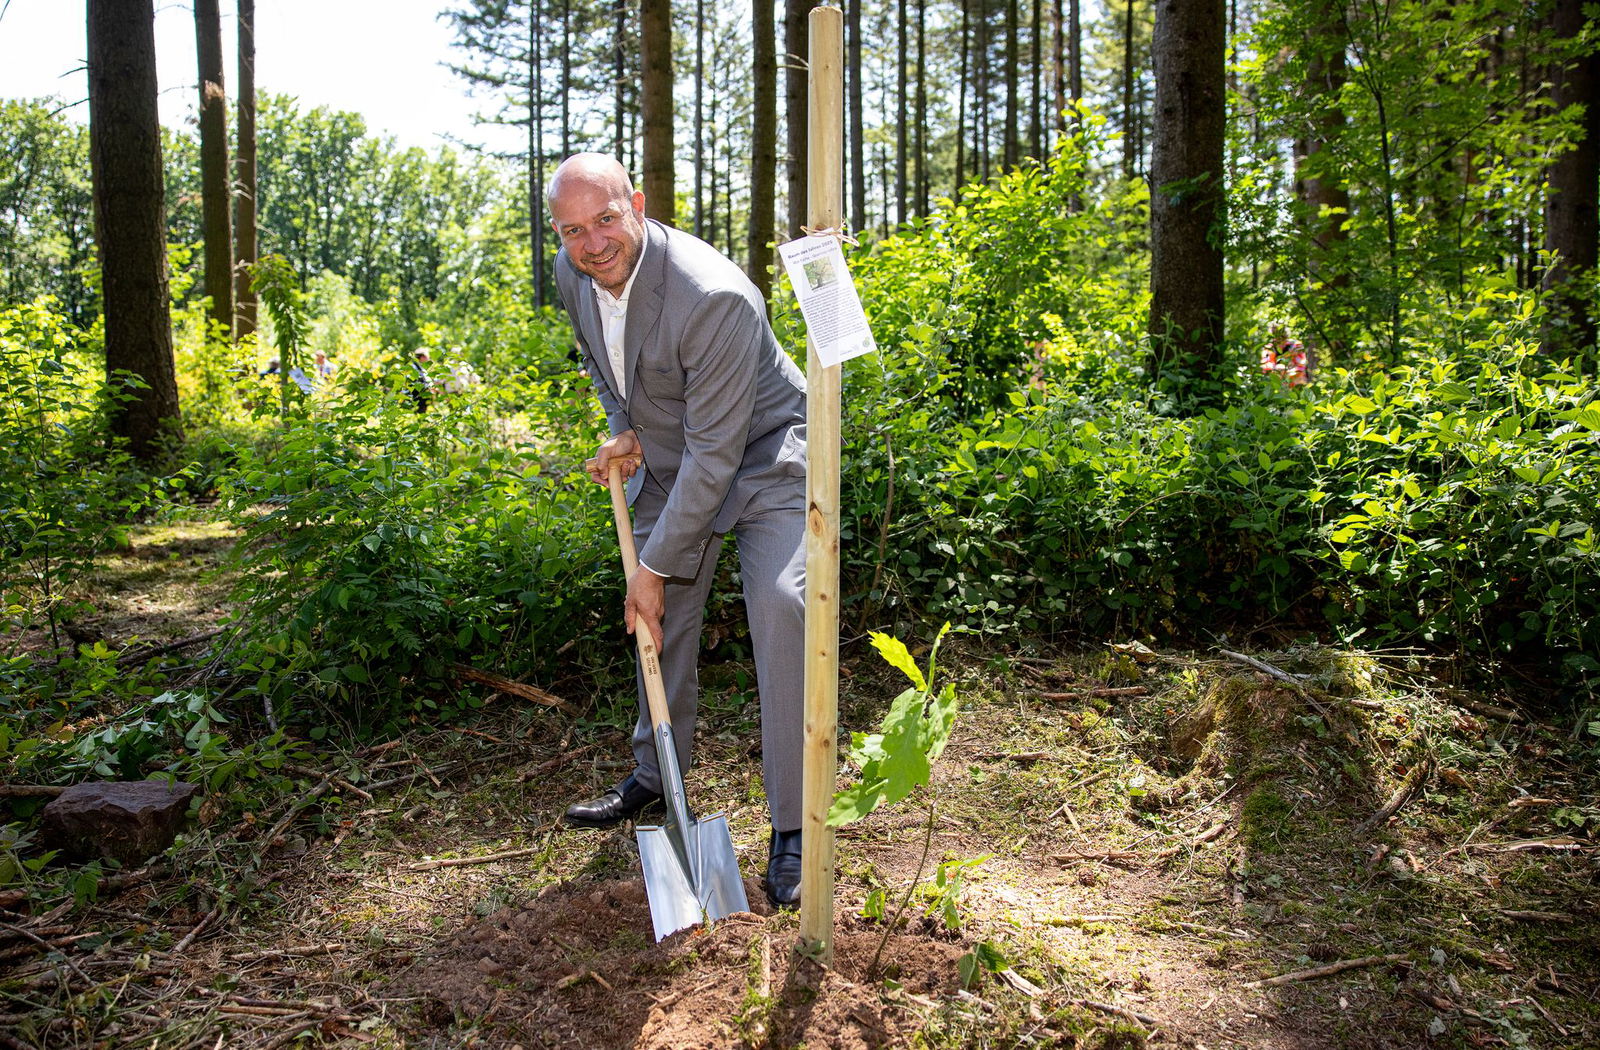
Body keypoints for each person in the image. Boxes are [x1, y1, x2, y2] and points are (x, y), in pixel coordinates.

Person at [547, 153, 808, 908]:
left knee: (782, 606)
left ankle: (791, 823)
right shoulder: (574, 274)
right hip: (670, 457)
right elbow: (603, 363)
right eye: (572, 231)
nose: (593, 244)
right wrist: (624, 426)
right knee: (652, 622)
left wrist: (655, 567)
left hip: (762, 458)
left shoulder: (713, 296)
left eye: (605, 220)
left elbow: (719, 453)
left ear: (637, 202)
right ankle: (655, 777)